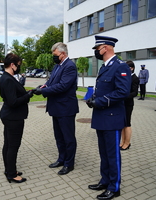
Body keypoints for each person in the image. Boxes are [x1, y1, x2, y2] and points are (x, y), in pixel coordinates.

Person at [86, 35, 131, 200]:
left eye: (97, 49)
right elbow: (104, 89)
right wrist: (93, 99)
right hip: (101, 117)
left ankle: (114, 187)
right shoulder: (105, 67)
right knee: (104, 153)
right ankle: (105, 180)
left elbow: (122, 92)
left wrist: (100, 102)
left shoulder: (120, 66)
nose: (96, 52)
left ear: (105, 48)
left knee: (113, 155)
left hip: (112, 118)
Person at [33, 42, 79, 175]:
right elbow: (51, 82)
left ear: (63, 54)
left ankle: (69, 164)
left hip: (66, 108)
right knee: (59, 136)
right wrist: (42, 87)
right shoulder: (58, 66)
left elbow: (63, 86)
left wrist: (43, 92)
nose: (54, 57)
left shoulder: (70, 66)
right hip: (56, 108)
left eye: (55, 55)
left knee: (68, 138)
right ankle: (62, 158)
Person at [0, 53, 34, 183]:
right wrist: (28, 95)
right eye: (18, 65)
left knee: (8, 144)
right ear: (12, 65)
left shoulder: (7, 77)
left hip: (10, 116)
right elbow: (13, 102)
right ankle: (11, 174)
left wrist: (26, 93)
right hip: (13, 117)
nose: (19, 67)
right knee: (12, 145)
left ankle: (9, 169)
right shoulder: (7, 79)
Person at [119, 60, 139, 151]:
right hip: (122, 103)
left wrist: (124, 96)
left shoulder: (135, 78)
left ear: (132, 68)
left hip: (128, 104)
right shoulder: (125, 77)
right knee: (122, 124)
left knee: (127, 123)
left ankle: (127, 143)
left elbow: (135, 93)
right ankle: (123, 142)